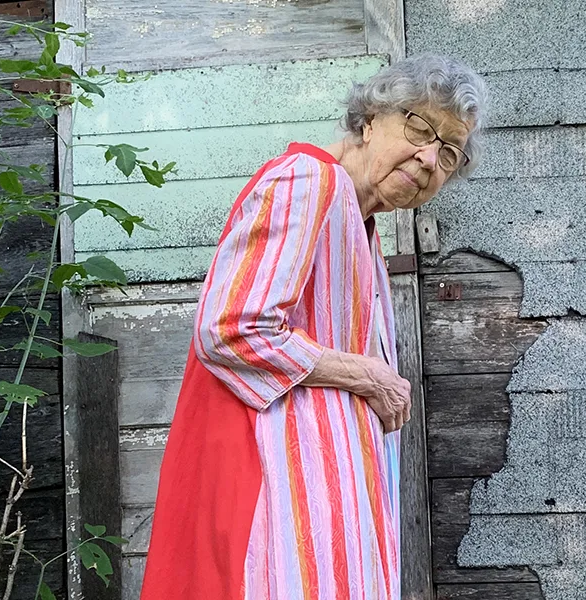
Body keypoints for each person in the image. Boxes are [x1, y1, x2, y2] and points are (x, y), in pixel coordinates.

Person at [138, 54, 488, 600]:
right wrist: (368, 375)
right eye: (420, 128)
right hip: (276, 495)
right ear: (369, 121)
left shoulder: (357, 220)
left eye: (448, 153)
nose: (428, 158)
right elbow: (232, 327)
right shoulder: (308, 181)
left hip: (317, 508)